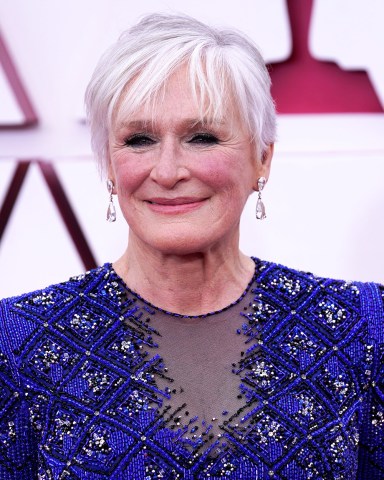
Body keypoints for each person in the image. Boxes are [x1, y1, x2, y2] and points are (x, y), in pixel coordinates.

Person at [0, 12, 383, 480]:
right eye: (139, 140)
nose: (167, 170)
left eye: (202, 138)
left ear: (262, 156)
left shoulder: (360, 328)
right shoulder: (17, 344)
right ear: (109, 165)